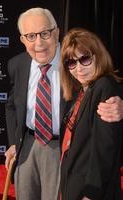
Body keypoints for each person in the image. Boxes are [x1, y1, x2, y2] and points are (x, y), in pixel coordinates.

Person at [4, 7, 123, 200]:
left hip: (62, 149)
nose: (39, 43)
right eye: (31, 36)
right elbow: (11, 105)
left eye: (45, 33)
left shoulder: (74, 60)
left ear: (57, 32)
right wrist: (12, 143)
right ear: (22, 40)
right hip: (27, 145)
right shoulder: (17, 64)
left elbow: (107, 82)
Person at [59, 27, 123, 200]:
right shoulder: (81, 90)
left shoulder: (104, 86)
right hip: (72, 185)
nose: (78, 68)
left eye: (85, 59)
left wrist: (91, 194)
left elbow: (104, 150)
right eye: (72, 63)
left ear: (98, 56)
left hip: (90, 190)